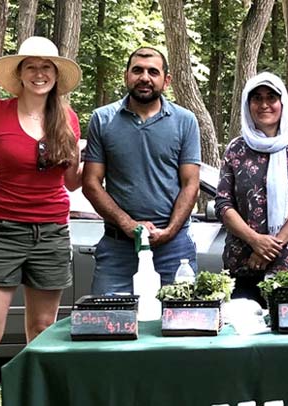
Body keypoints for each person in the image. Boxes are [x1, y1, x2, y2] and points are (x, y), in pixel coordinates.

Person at [0, 36, 83, 406]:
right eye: (31, 66)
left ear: (56, 75)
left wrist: (83, 158)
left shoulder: (68, 119)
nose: (39, 73)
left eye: (46, 67)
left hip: (51, 232)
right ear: (19, 73)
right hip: (2, 230)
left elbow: (71, 182)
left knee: (42, 331)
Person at [82, 47, 201, 294]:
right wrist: (127, 224)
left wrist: (169, 231)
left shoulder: (185, 121)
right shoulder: (102, 119)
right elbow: (91, 183)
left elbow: (191, 183)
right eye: (137, 70)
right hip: (118, 246)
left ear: (166, 80)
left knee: (180, 325)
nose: (144, 77)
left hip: (174, 249)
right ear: (126, 76)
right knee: (109, 325)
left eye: (153, 72)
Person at [215, 72, 288, 305]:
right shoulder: (236, 149)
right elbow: (223, 203)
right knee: (245, 334)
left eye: (271, 98)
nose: (264, 104)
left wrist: (270, 247)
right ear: (248, 104)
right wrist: (255, 241)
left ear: (282, 103)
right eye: (257, 98)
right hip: (244, 264)